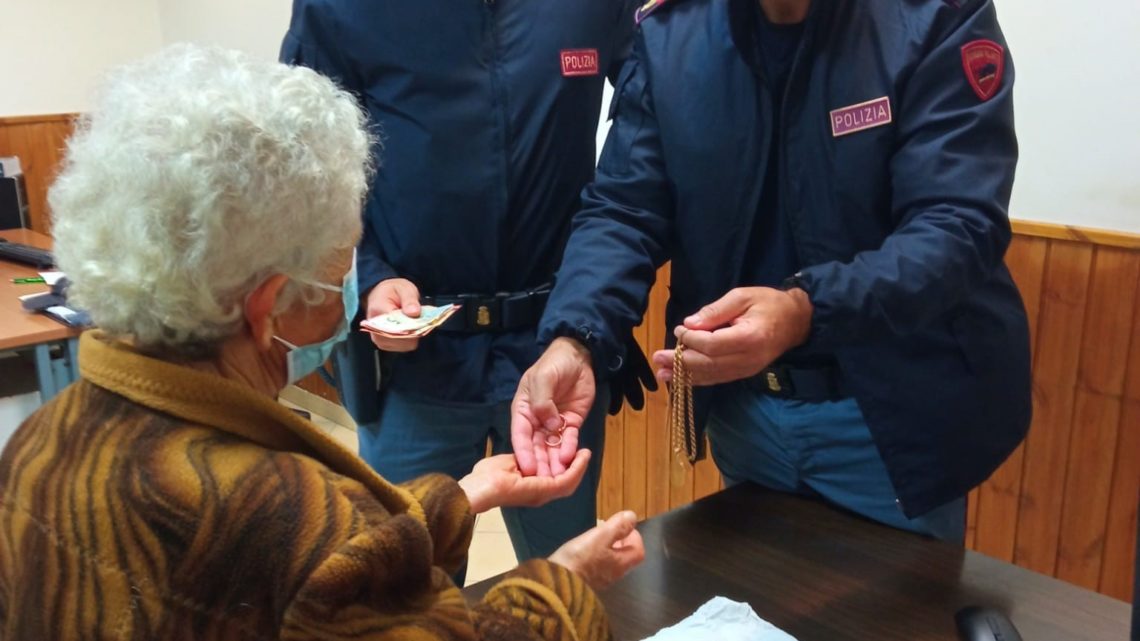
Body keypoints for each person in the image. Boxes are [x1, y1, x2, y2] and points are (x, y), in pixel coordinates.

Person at [0, 44, 643, 640]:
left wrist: (464, 495)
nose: (346, 294)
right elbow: (344, 571)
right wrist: (566, 582)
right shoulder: (288, 523)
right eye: (339, 276)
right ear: (264, 310)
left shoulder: (37, 442)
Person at [511, 0, 1032, 541]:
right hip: (745, 415)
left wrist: (805, 309)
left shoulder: (934, 18)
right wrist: (575, 337)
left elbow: (957, 225)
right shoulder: (673, 34)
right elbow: (624, 209)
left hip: (895, 421)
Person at [279, 0, 654, 569]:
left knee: (567, 581)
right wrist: (372, 277)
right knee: (404, 590)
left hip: (552, 356)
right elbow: (304, 167)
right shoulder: (338, 9)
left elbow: (643, 157)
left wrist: (588, 322)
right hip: (414, 364)